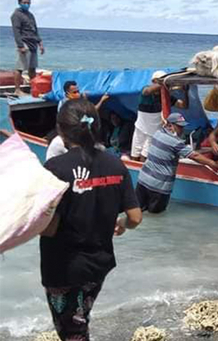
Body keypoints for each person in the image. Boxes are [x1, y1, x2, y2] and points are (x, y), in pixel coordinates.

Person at [40, 99, 142, 341]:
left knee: (71, 331)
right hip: (99, 263)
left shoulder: (55, 167)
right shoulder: (116, 164)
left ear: (61, 129)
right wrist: (122, 225)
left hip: (63, 266)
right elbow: (135, 217)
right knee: (80, 318)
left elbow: (49, 228)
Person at [136, 113, 218, 213]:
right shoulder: (175, 142)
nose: (182, 130)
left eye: (183, 127)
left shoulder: (157, 133)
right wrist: (214, 164)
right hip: (159, 187)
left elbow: (186, 151)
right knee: (156, 217)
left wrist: (210, 150)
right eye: (179, 127)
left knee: (137, 213)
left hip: (143, 180)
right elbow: (194, 156)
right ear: (169, 125)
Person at [46, 82, 110, 160]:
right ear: (67, 93)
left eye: (78, 91)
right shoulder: (66, 105)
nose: (78, 94)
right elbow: (91, 111)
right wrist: (101, 101)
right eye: (74, 92)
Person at [11, 0, 44, 96]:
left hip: (33, 43)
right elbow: (16, 31)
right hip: (24, 43)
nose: (26, 4)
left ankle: (34, 88)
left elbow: (35, 30)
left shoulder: (30, 15)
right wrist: (20, 45)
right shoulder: (16, 15)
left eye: (28, 3)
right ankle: (17, 90)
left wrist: (40, 43)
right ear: (19, 3)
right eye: (24, 2)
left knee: (32, 68)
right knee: (20, 67)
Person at [131, 71, 166, 162]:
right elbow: (147, 91)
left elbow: (183, 105)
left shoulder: (165, 96)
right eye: (158, 81)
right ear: (153, 81)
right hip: (140, 128)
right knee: (135, 154)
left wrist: (185, 92)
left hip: (153, 131)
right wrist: (164, 83)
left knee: (145, 156)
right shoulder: (146, 92)